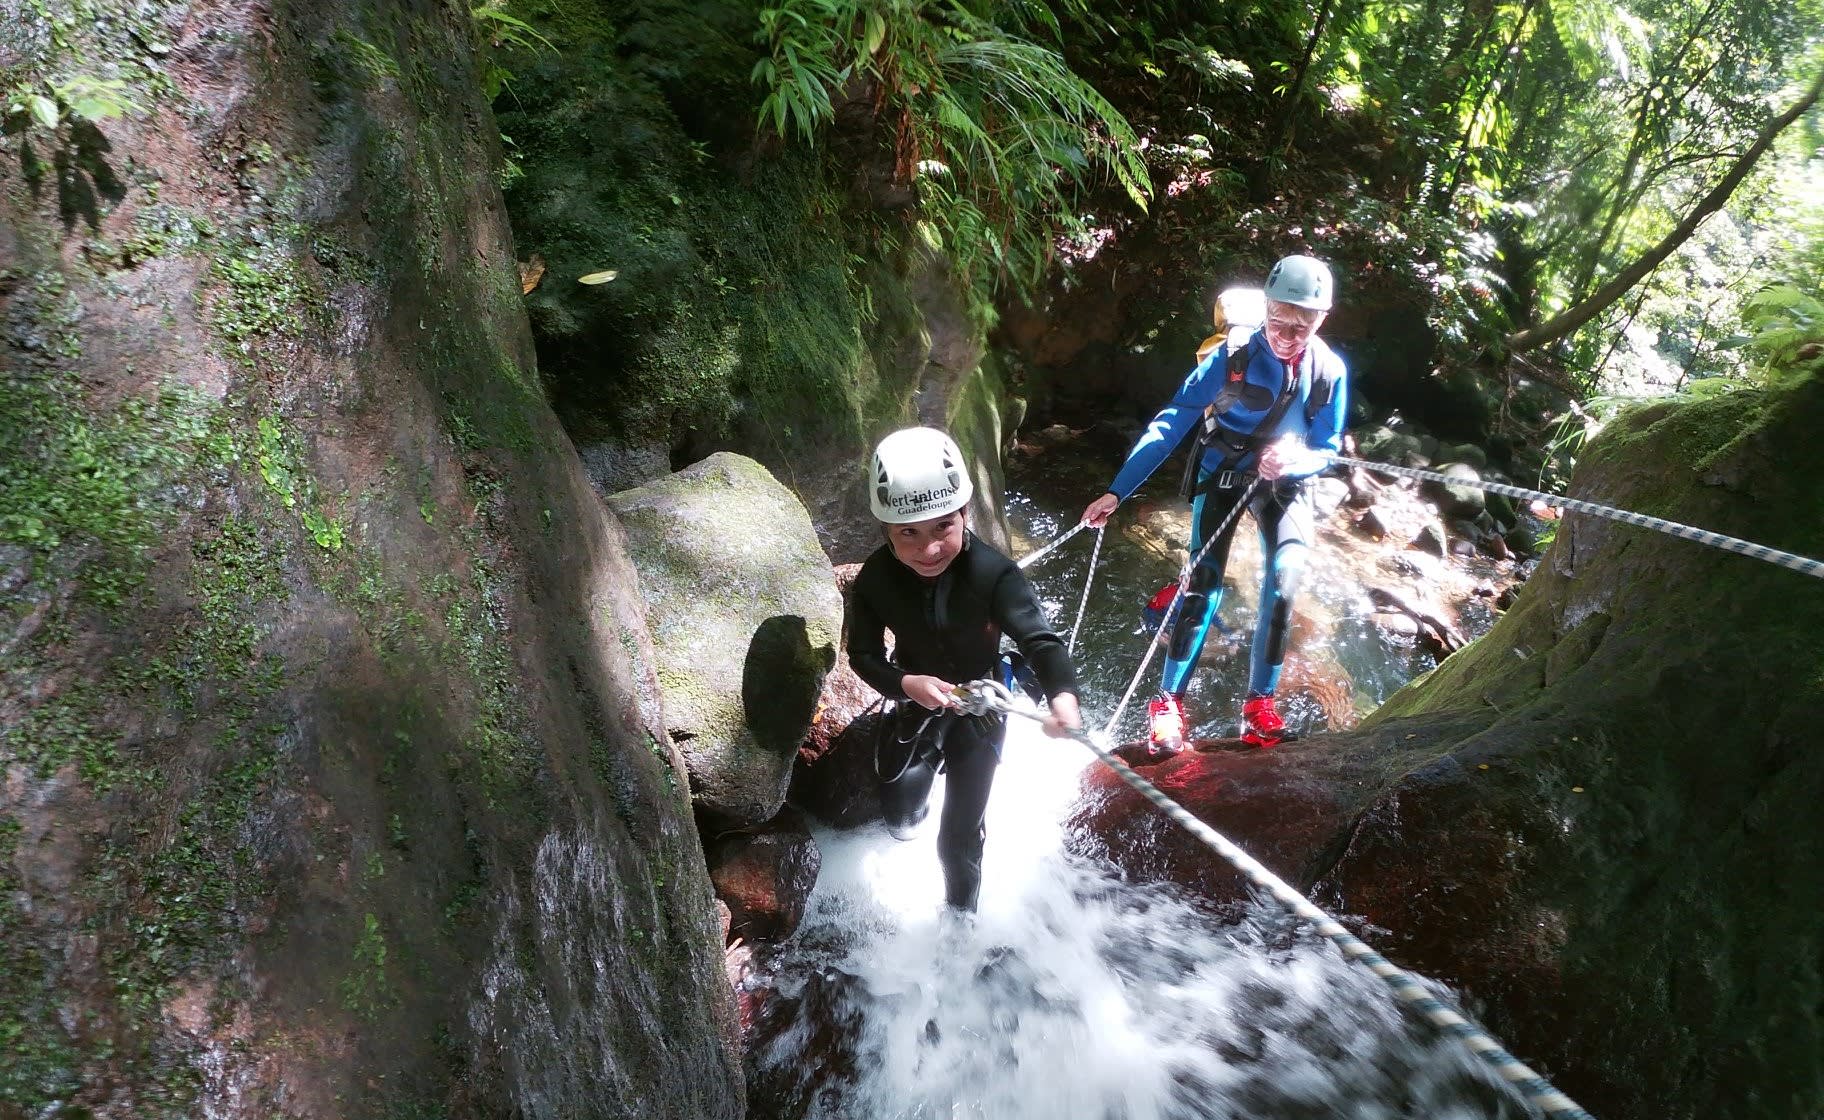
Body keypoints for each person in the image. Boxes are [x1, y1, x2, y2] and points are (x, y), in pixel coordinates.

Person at [1080, 254, 1348, 752]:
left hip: (1284, 481)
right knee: (1203, 584)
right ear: (1265, 307)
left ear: (1321, 319)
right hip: (1223, 471)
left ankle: (1258, 705)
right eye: (1278, 320)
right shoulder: (1232, 357)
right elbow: (1170, 423)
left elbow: (1327, 449)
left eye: (1302, 324)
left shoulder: (1328, 370)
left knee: (1286, 579)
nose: (1288, 335)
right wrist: (1118, 491)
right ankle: (1167, 705)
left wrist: (1296, 461)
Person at [847, 426, 1084, 913]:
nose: (928, 548)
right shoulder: (875, 579)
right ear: (886, 529)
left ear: (964, 514)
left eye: (942, 528)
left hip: (982, 705)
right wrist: (905, 685)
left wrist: (1063, 697)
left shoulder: (993, 573)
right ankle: (918, 788)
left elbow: (1039, 639)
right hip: (916, 696)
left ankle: (960, 932)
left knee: (955, 840)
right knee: (902, 820)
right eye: (907, 533)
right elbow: (863, 655)